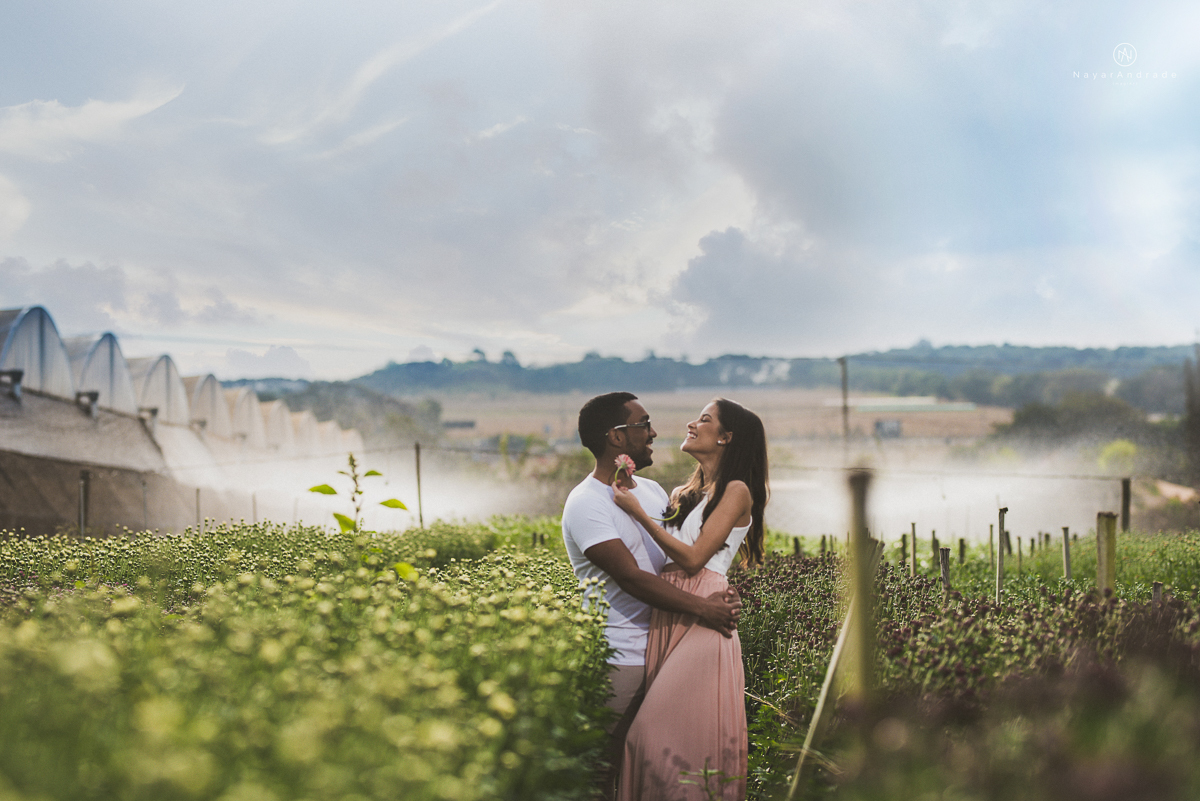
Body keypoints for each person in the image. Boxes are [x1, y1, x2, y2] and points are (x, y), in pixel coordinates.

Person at [561, 392, 743, 800]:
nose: (654, 432)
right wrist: (703, 609)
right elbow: (633, 578)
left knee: (659, 769)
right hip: (621, 657)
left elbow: (678, 559)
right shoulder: (586, 503)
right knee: (602, 771)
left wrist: (718, 588)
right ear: (617, 438)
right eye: (644, 424)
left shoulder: (651, 491)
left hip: (667, 648)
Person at [613, 398, 768, 801]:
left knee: (646, 735)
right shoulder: (685, 491)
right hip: (671, 609)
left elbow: (696, 558)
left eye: (704, 419)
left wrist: (637, 514)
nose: (691, 423)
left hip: (704, 614)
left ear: (726, 437)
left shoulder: (737, 491)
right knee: (677, 742)